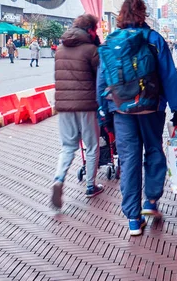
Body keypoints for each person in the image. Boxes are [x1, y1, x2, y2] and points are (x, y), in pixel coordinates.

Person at [97, 0, 177, 236]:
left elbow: (102, 79)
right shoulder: (154, 39)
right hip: (151, 107)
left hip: (121, 110)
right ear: (143, 14)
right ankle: (151, 201)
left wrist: (103, 112)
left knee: (129, 160)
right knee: (154, 151)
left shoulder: (111, 42)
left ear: (121, 15)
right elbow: (168, 75)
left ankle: (133, 220)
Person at [51, 14, 104, 209]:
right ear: (90, 29)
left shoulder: (60, 50)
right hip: (87, 105)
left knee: (67, 146)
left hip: (64, 106)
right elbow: (100, 78)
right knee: (91, 146)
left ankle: (58, 178)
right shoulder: (91, 50)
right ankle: (91, 186)